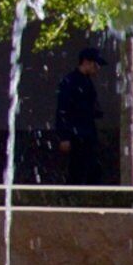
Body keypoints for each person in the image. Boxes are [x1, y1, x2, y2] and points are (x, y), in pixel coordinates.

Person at [52, 48, 105, 189]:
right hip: (77, 134)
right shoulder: (71, 82)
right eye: (95, 64)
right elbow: (63, 109)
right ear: (86, 62)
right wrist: (64, 136)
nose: (97, 68)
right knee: (78, 171)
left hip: (86, 133)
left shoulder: (85, 82)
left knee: (90, 170)